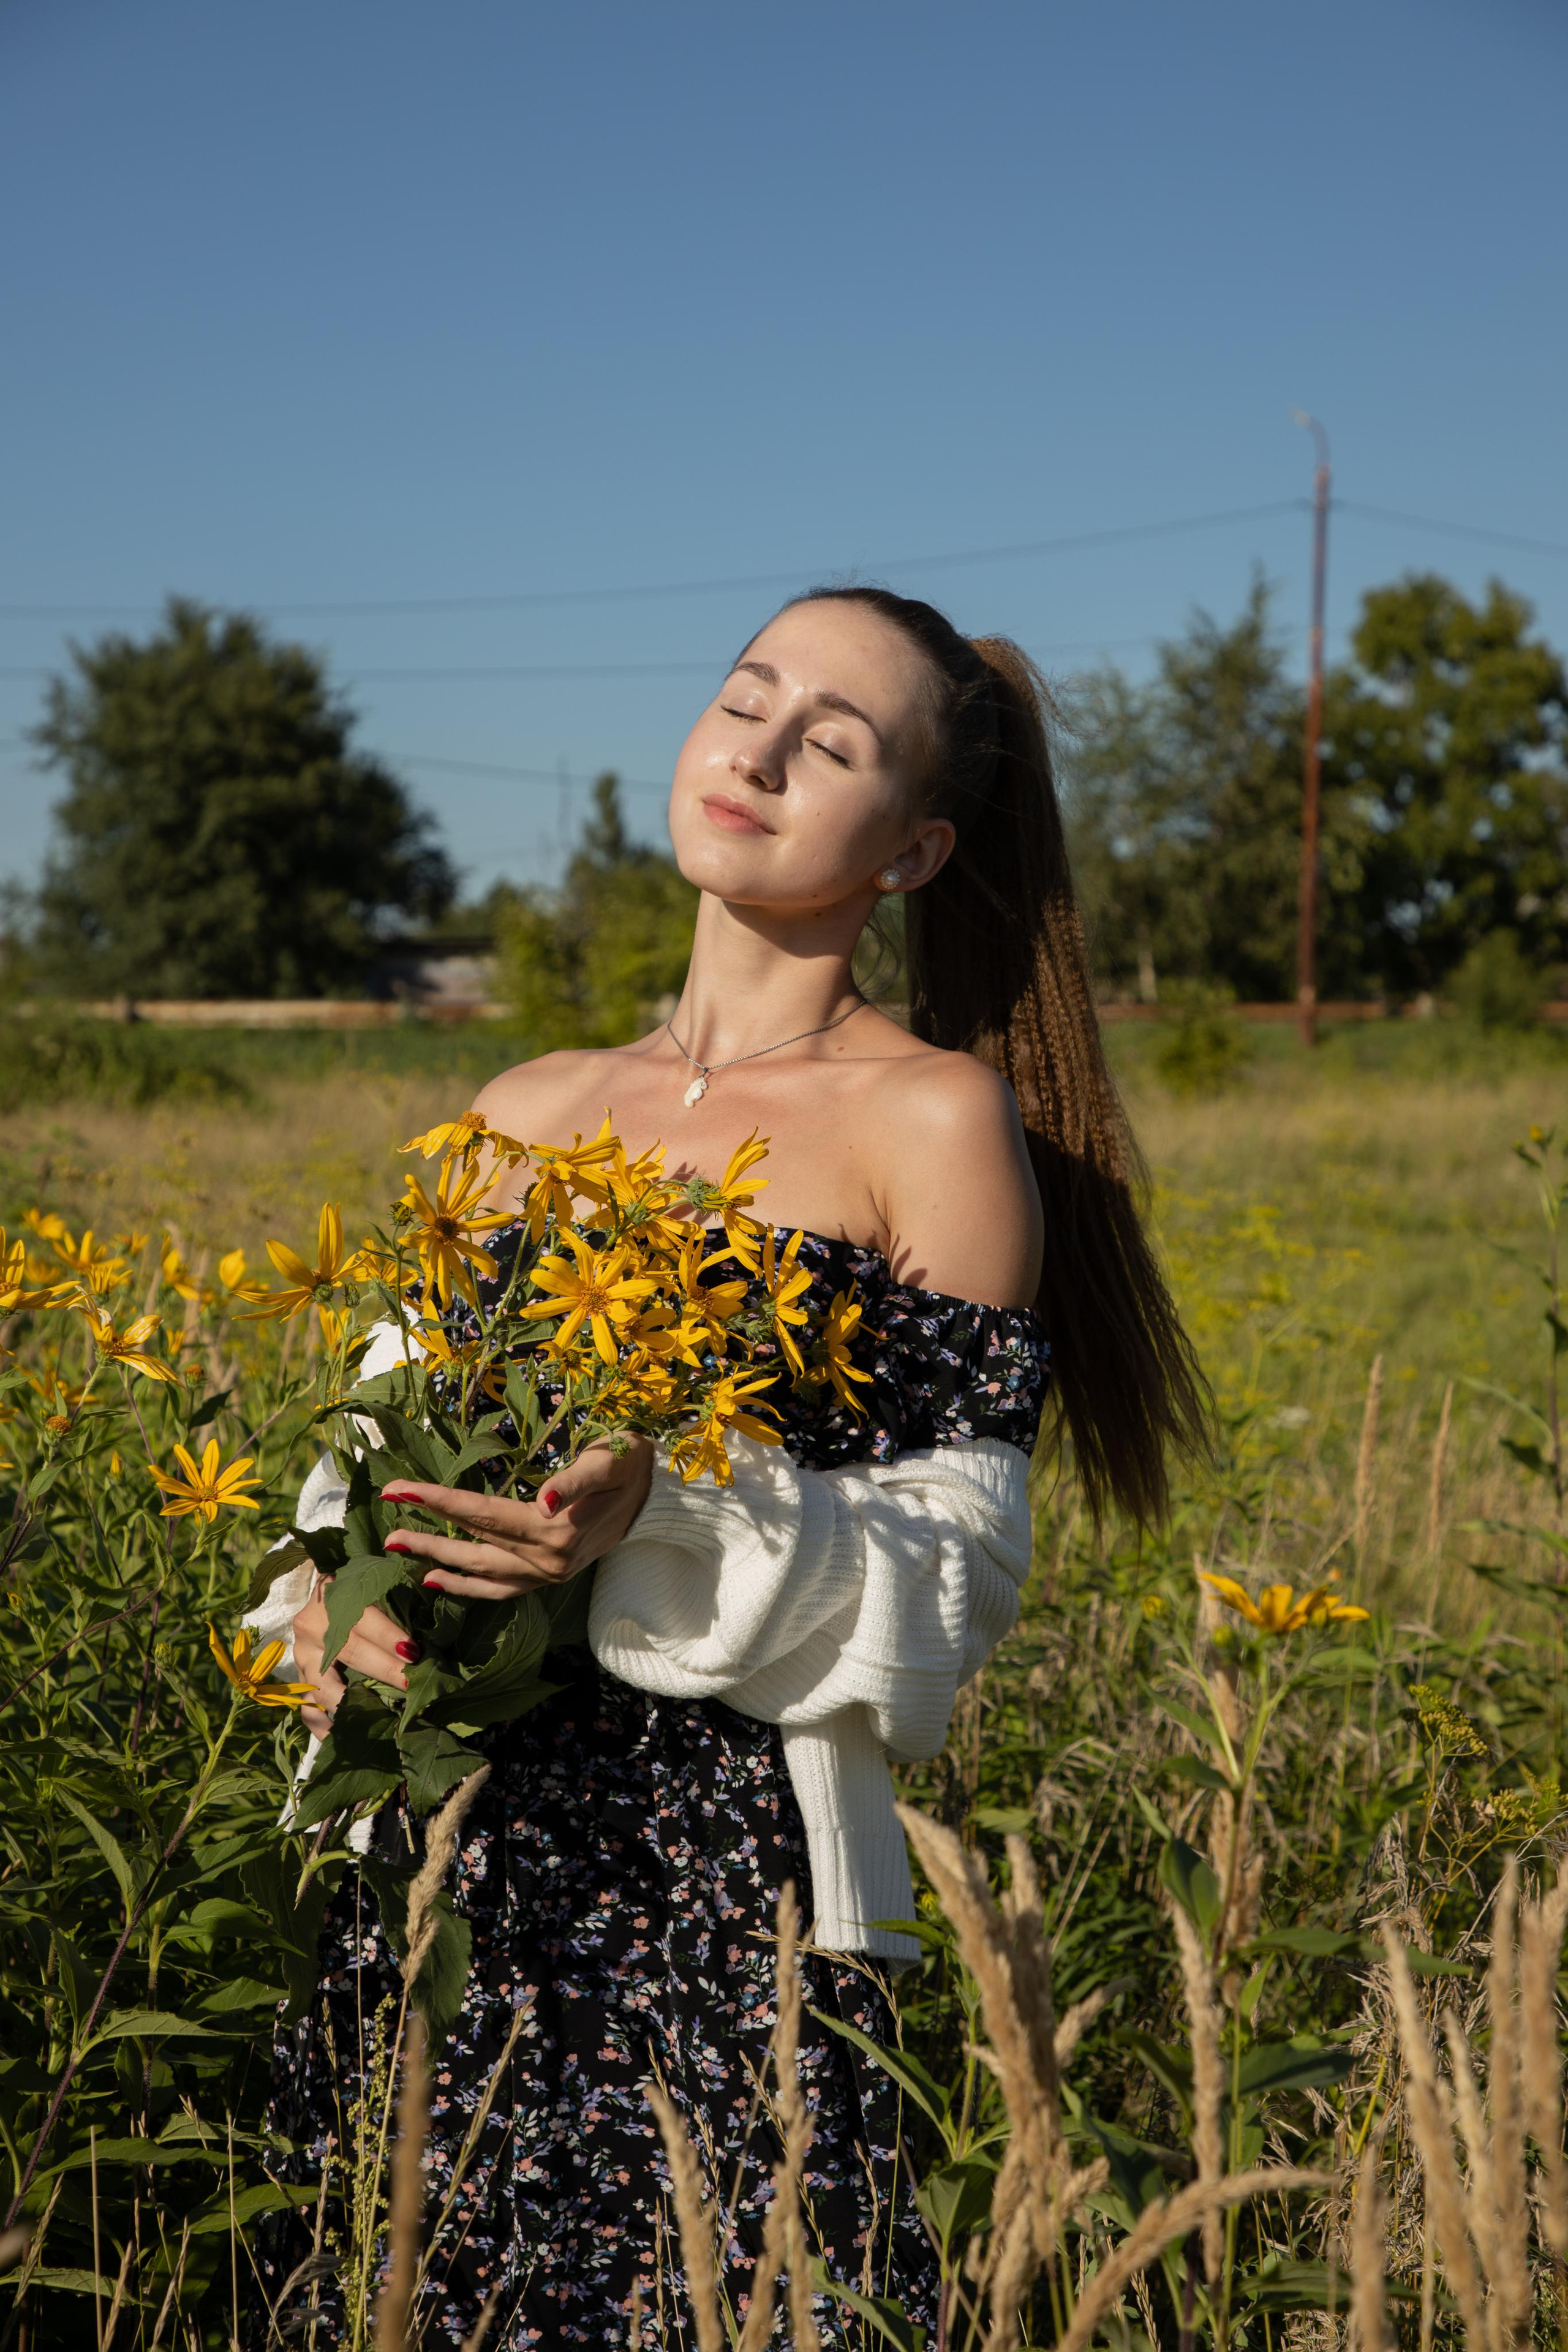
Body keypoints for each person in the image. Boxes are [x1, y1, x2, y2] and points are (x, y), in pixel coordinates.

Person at [247, 587, 1207, 2346]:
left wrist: (660, 1508)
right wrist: (343, 1609)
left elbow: (960, 1573)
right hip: (452, 1870)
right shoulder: (525, 1106)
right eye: (745, 697)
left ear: (913, 852)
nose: (757, 747)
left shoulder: (928, 1119)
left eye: (829, 742)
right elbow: (362, 1464)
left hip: (722, 1898)